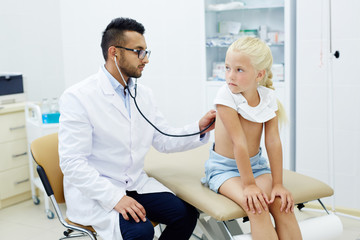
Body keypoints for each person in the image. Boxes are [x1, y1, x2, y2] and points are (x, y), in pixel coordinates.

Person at [58, 17, 216, 240]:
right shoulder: (78, 97)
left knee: (186, 215)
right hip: (98, 192)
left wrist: (199, 128)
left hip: (135, 184)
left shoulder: (143, 95)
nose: (146, 59)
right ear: (115, 52)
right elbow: (72, 163)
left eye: (146, 51)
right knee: (141, 231)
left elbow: (164, 139)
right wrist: (114, 199)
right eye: (139, 52)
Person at [201, 36, 302, 240]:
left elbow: (273, 142)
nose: (230, 76)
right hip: (225, 170)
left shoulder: (268, 97)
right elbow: (239, 143)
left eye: (239, 70)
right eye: (228, 68)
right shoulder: (225, 97)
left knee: (282, 205)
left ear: (259, 74)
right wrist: (249, 186)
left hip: (256, 166)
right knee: (257, 208)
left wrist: (278, 184)